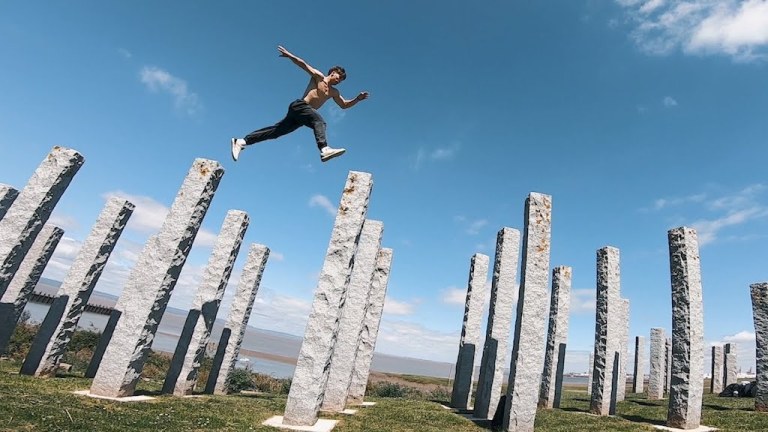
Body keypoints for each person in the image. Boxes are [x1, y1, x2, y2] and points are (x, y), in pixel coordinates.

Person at [231, 45, 369, 163]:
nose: (339, 81)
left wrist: (357, 99)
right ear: (333, 73)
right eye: (339, 77)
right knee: (319, 121)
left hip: (301, 117)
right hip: (300, 106)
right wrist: (290, 55)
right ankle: (324, 148)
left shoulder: (334, 92)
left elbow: (344, 105)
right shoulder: (319, 77)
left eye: (341, 81)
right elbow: (303, 64)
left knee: (276, 132)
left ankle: (242, 141)